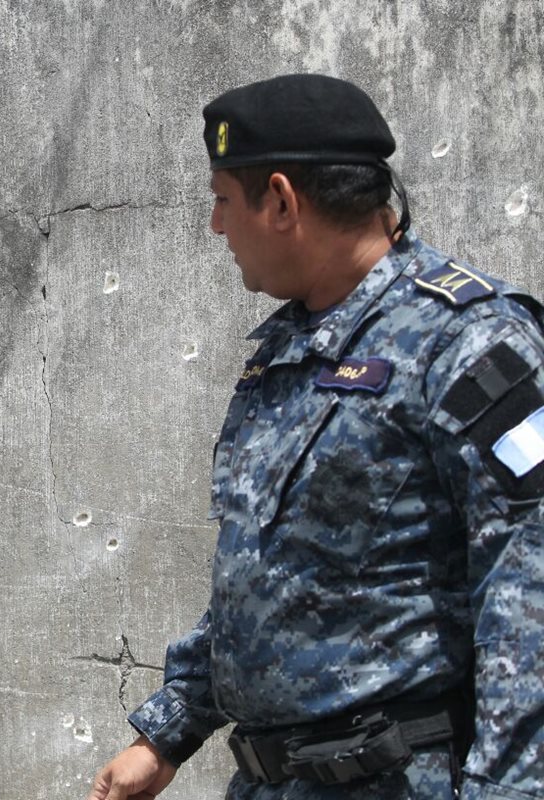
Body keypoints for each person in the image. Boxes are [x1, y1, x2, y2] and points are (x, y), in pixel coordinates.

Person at [86, 74, 544, 799]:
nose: (215, 226)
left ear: (279, 201)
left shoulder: (471, 344)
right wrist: (170, 728)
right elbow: (270, 574)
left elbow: (529, 593)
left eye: (221, 201)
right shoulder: (290, 350)